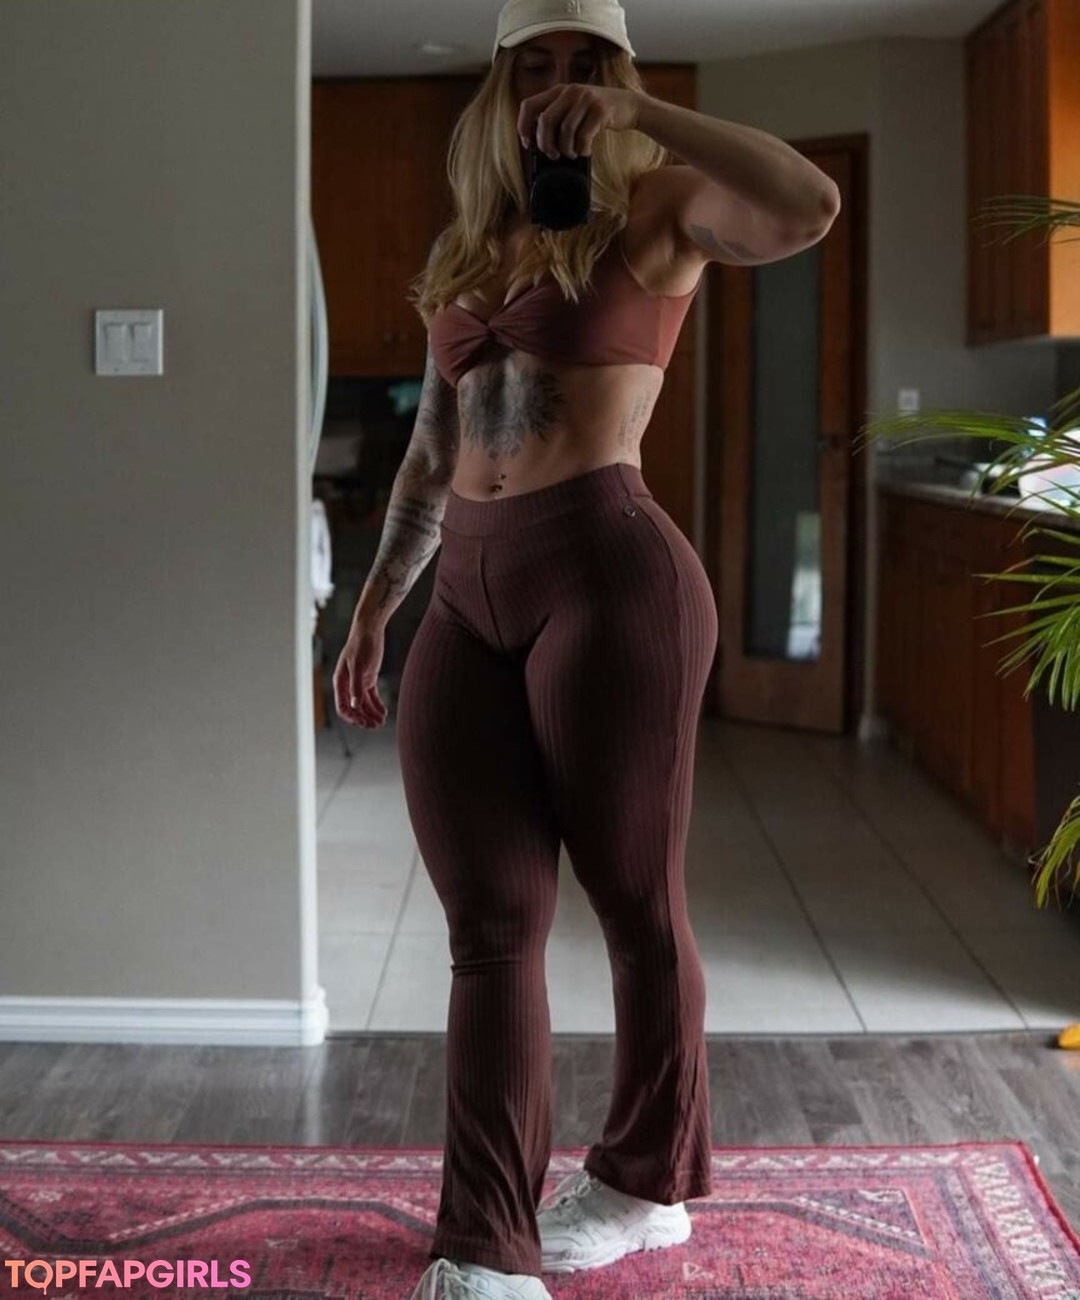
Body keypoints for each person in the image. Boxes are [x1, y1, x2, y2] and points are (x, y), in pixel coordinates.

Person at [333, 1, 840, 1296]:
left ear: (613, 79)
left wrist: (640, 114)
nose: (558, 86)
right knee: (489, 924)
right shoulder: (464, 245)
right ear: (499, 89)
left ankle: (643, 1183)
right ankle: (485, 1244)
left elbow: (809, 204)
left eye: (586, 65)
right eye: (536, 67)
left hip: (611, 577)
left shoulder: (661, 207)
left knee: (635, 902)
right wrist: (379, 604)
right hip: (467, 593)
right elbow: (435, 450)